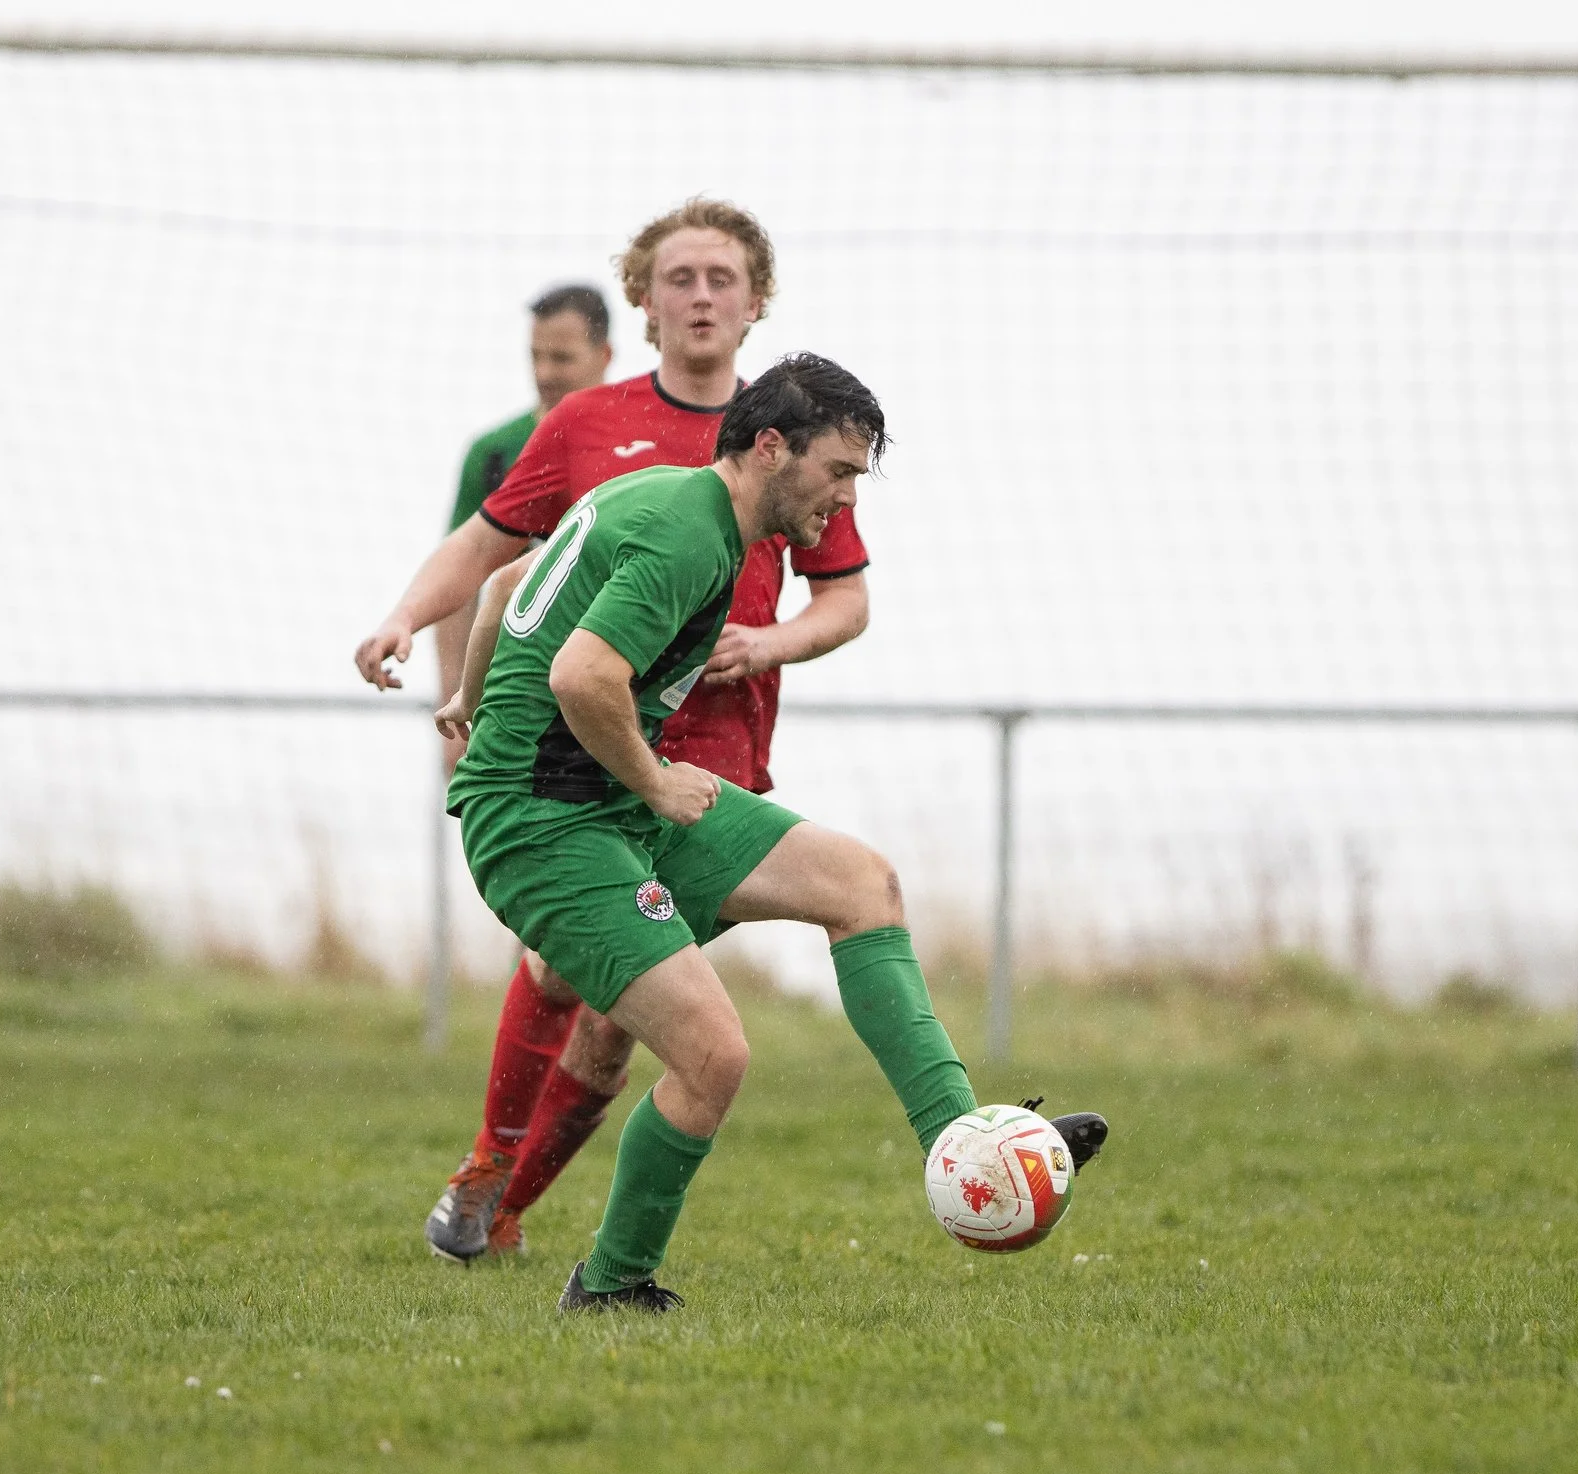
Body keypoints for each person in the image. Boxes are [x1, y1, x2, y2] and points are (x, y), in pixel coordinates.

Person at [431, 354, 1104, 1311]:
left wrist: (468, 694)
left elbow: (506, 589)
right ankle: (611, 1287)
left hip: (604, 799)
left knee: (860, 884)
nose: (846, 496)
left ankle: (967, 1145)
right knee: (714, 1056)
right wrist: (658, 781)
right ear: (772, 447)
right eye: (839, 472)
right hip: (543, 822)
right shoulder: (687, 537)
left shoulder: (673, 501)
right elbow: (582, 678)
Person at [359, 199, 875, 1264]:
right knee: (566, 967)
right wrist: (410, 622)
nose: (699, 295)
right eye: (677, 276)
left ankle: (509, 1207)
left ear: (756, 302)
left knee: (617, 1019)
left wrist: (765, 645)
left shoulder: (802, 441)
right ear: (641, 301)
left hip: (712, 757)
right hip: (585, 753)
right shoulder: (586, 426)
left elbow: (846, 598)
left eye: (720, 278)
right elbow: (496, 555)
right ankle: (492, 1170)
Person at [432, 284, 614, 773]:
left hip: (613, 690)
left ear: (605, 355)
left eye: (561, 358)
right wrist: (455, 693)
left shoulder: (634, 449)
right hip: (512, 696)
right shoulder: (493, 452)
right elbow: (461, 582)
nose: (544, 373)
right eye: (535, 356)